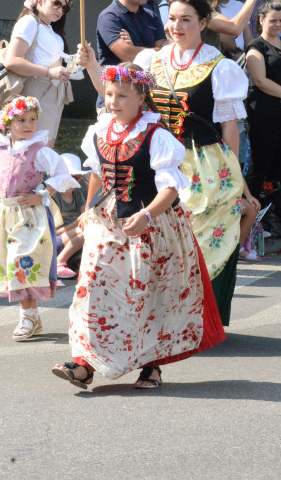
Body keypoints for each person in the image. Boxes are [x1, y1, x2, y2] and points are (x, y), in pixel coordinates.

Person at [51, 64, 225, 389]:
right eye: (110, 94)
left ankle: (152, 367)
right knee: (91, 289)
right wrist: (90, 210)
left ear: (142, 97)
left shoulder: (156, 135)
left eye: (122, 96)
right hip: (108, 224)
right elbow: (98, 174)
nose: (113, 102)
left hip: (151, 223)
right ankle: (84, 363)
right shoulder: (99, 131)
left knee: (147, 295)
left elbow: (171, 188)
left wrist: (146, 216)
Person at [135, 0, 259, 326]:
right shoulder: (151, 61)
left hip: (204, 166)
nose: (176, 25)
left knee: (202, 240)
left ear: (203, 24)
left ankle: (201, 323)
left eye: (186, 19)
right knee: (158, 239)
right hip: (159, 163)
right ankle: (161, 319)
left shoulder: (220, 67)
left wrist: (234, 177)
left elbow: (229, 128)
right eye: (172, 18)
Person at [0, 96, 79, 340]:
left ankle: (27, 317)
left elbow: (61, 173)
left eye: (32, 119)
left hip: (30, 215)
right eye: (21, 120)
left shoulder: (39, 150)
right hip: (5, 213)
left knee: (22, 261)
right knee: (11, 263)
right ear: (8, 123)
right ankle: (31, 316)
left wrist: (41, 194)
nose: (28, 125)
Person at [245, 1, 281, 238]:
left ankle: (276, 220)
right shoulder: (256, 47)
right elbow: (260, 81)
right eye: (273, 21)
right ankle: (251, 222)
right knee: (261, 166)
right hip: (265, 114)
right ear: (261, 20)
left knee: (280, 169)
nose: (278, 25)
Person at [3, 0, 89, 145]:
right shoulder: (29, 22)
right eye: (56, 3)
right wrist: (49, 72)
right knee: (31, 148)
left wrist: (76, 63)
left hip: (55, 91)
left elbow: (53, 63)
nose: (60, 10)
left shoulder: (51, 30)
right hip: (35, 88)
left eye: (65, 8)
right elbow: (12, 61)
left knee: (45, 149)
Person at [96, 0, 166, 66]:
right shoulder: (109, 17)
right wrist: (156, 50)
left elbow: (165, 54)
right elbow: (129, 56)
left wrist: (135, 48)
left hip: (147, 80)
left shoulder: (152, 16)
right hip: (116, 81)